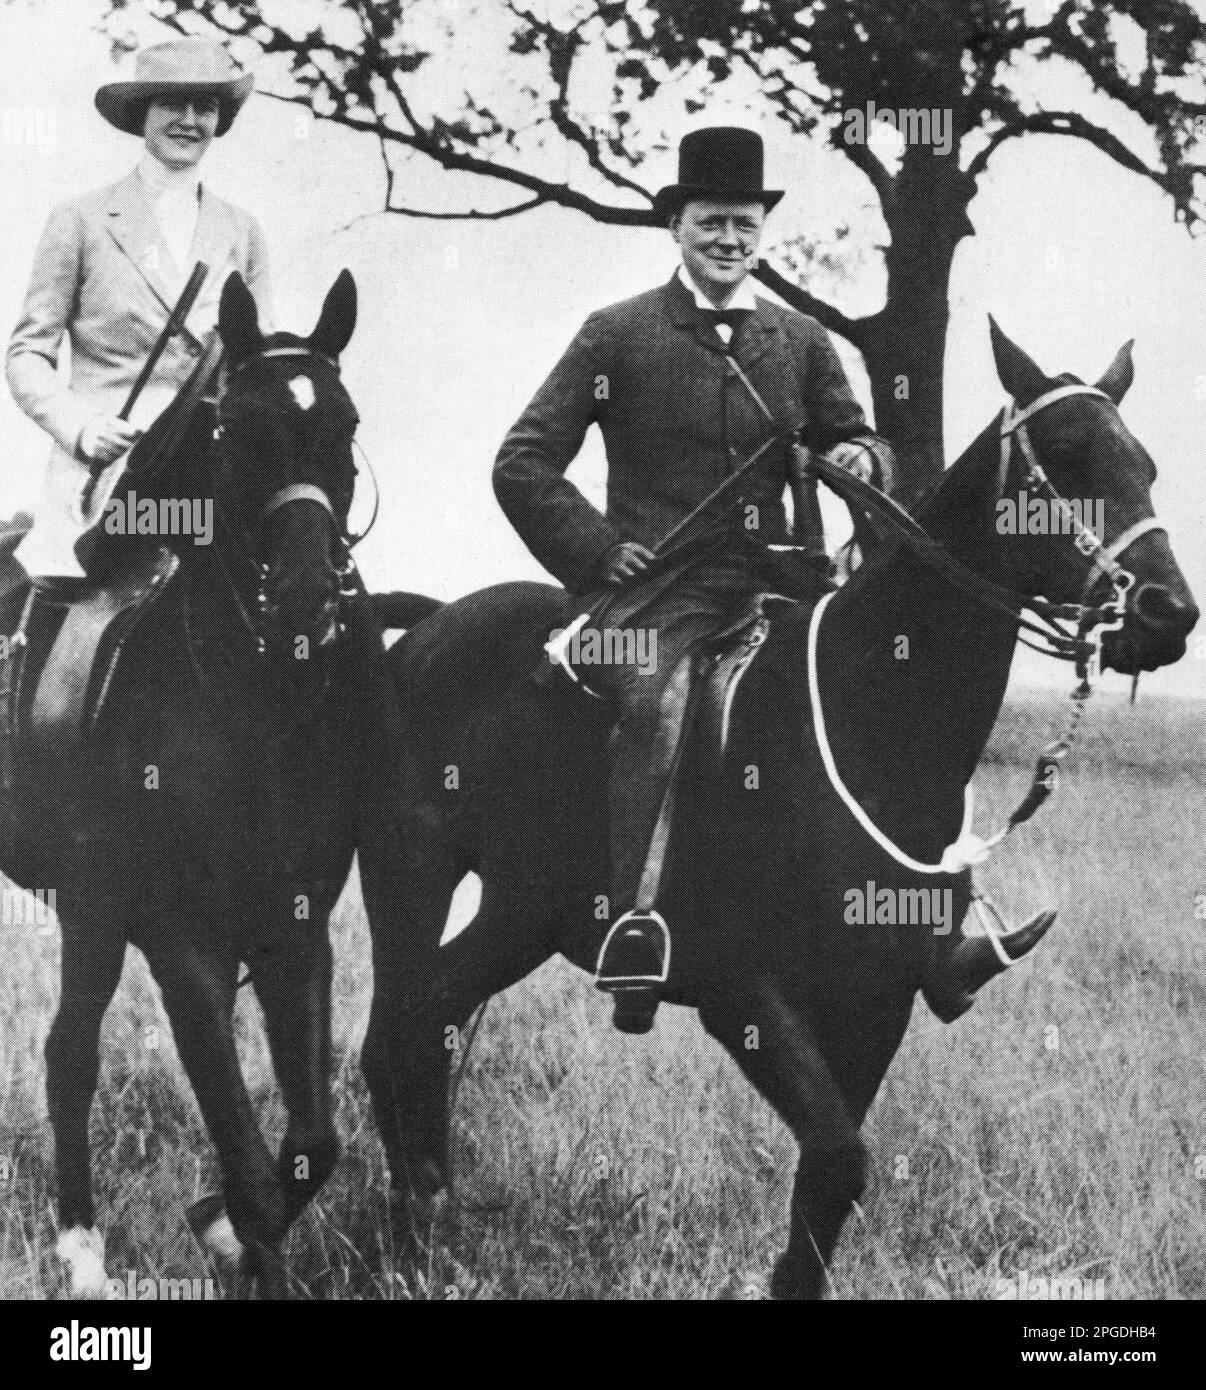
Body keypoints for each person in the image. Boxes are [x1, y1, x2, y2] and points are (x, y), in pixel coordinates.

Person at [494, 126, 895, 1031]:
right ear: (676, 226)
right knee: (657, 700)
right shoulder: (618, 334)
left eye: (745, 225)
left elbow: (852, 432)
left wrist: (863, 458)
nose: (729, 240)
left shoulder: (799, 340)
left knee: (878, 691)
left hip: (782, 583)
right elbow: (523, 463)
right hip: (655, 593)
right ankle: (636, 925)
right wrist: (598, 552)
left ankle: (929, 926)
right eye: (712, 222)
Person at [5, 37, 271, 579]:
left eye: (206, 106)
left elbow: (254, 363)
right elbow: (27, 353)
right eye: (173, 103)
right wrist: (81, 427)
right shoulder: (81, 219)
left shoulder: (242, 231)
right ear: (142, 112)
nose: (190, 120)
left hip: (210, 475)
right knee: (69, 616)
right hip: (104, 476)